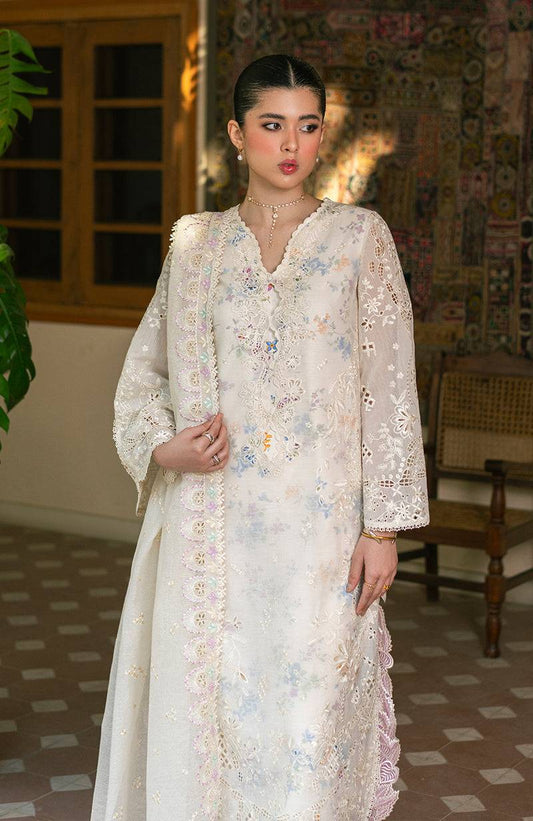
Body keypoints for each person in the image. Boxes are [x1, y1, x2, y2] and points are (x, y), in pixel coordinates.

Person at [90, 54, 429, 821]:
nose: (290, 144)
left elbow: (387, 388)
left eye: (307, 127)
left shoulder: (358, 238)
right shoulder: (197, 244)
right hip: (213, 528)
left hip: (321, 531)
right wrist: (163, 446)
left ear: (321, 136)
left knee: (309, 710)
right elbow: (146, 375)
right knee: (216, 706)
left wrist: (381, 528)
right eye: (272, 125)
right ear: (237, 134)